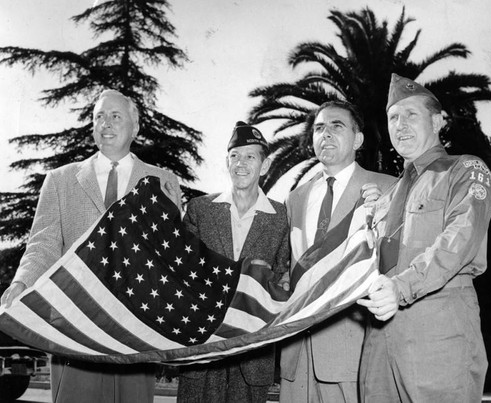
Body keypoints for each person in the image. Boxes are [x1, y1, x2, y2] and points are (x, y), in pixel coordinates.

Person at [0, 89, 182, 403]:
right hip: (74, 325)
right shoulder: (60, 180)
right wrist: (21, 282)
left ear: (135, 127)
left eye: (115, 116)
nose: (106, 124)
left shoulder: (163, 181)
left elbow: (169, 256)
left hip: (136, 330)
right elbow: (43, 244)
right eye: (99, 116)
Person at [357, 73, 491, 402]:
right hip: (379, 339)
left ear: (437, 121)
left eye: (411, 114)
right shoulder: (387, 198)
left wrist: (401, 286)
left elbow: (460, 236)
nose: (400, 125)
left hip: (439, 335)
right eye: (393, 117)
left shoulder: (463, 170)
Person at [279, 99, 395, 403]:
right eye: (319, 128)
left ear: (358, 139)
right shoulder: (296, 198)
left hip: (353, 352)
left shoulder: (389, 189)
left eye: (336, 126)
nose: (325, 134)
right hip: (297, 352)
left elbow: (399, 265)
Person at [176, 121, 290, 403]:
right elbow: (182, 272)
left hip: (252, 356)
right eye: (235, 156)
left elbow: (285, 277)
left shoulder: (281, 218)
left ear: (264, 166)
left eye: (250, 156)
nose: (241, 163)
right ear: (226, 162)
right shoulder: (201, 210)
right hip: (204, 350)